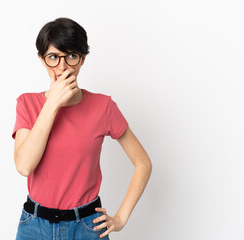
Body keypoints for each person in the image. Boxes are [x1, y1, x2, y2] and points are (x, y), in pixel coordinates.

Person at [12, 17, 152, 240]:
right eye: (53, 57)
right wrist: (53, 103)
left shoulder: (103, 106)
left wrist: (121, 218)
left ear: (83, 58)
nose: (62, 66)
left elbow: (143, 163)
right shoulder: (27, 104)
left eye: (71, 56)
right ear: (42, 60)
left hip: (87, 226)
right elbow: (24, 165)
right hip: (35, 226)